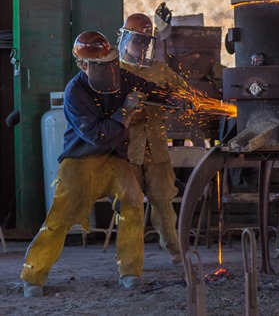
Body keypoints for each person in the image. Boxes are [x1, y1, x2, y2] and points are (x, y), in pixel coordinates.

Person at [21, 31, 172, 298]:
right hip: (80, 161)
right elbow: (96, 135)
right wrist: (125, 111)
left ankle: (130, 272)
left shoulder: (123, 78)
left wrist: (175, 98)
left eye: (110, 61)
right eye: (101, 64)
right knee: (60, 217)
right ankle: (33, 275)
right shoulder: (75, 92)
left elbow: (150, 90)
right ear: (84, 65)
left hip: (114, 159)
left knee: (134, 200)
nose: (109, 69)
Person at [117, 13, 188, 265]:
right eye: (137, 41)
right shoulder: (115, 71)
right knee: (129, 207)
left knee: (164, 203)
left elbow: (184, 92)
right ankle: (129, 263)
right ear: (125, 39)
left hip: (157, 149)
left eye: (146, 42)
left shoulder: (158, 71)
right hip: (127, 152)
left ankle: (176, 253)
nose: (142, 47)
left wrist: (181, 100)